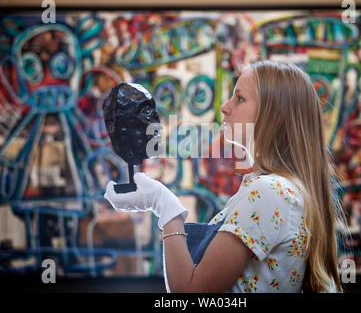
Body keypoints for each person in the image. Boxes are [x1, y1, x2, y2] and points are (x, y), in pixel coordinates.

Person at [104, 60, 347, 293]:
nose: (225, 107)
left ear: (274, 116)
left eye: (240, 98)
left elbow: (191, 293)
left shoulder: (269, 192)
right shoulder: (276, 189)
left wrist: (164, 205)